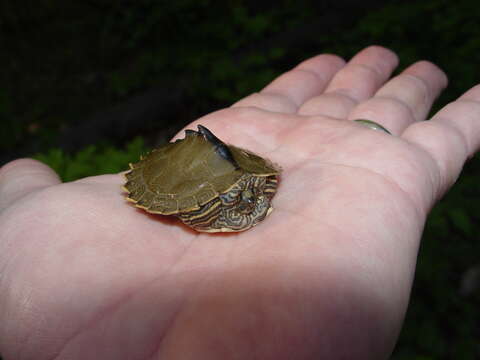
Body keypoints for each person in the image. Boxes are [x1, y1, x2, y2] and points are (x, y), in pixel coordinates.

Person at [0, 45, 477, 359]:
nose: (257, 196)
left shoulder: (259, 181)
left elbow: (255, 181)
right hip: (184, 173)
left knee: (238, 172)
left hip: (230, 165)